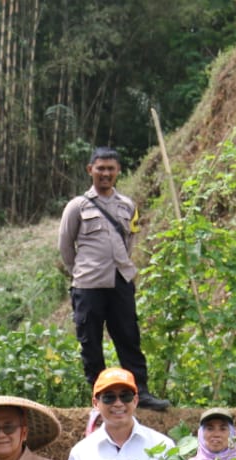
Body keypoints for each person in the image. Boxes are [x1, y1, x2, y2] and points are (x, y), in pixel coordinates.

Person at [58, 147, 169, 411]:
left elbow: (129, 240)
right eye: (100, 168)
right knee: (91, 342)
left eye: (111, 169)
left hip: (120, 281)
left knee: (129, 337)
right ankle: (101, 396)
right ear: (90, 170)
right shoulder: (77, 206)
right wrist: (83, 271)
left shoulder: (127, 206)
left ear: (118, 171)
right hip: (88, 285)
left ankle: (139, 392)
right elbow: (65, 246)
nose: (105, 173)